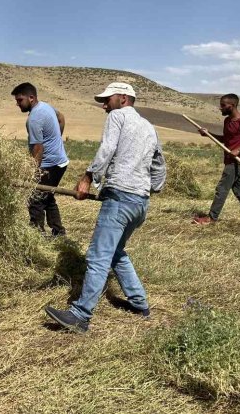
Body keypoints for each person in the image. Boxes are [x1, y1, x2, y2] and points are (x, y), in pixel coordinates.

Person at [45, 82, 166, 334]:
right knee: (116, 252)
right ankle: (139, 303)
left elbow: (107, 148)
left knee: (98, 256)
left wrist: (89, 178)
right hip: (140, 202)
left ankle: (80, 315)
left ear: (123, 98)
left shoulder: (117, 116)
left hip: (120, 198)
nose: (103, 105)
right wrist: (150, 188)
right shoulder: (148, 126)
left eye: (107, 100)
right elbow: (159, 164)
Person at [192, 93, 240, 229]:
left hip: (237, 161)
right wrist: (208, 134)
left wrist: (239, 149)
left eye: (223, 105)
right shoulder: (227, 121)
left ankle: (211, 218)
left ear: (232, 106)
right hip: (229, 160)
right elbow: (226, 139)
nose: (220, 108)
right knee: (239, 192)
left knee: (222, 188)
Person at [11, 82, 69, 238]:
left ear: (31, 98)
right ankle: (59, 232)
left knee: (35, 199)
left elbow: (38, 149)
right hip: (60, 162)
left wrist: (33, 172)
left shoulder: (35, 118)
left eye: (20, 100)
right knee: (48, 196)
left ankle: (37, 236)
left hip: (49, 165)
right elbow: (61, 118)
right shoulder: (45, 106)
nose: (17, 104)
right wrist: (57, 139)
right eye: (16, 100)